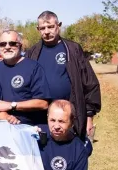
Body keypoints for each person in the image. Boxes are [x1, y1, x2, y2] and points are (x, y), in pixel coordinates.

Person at [25, 11, 101, 140]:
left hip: (69, 116)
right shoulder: (32, 52)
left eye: (50, 27)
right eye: (42, 28)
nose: (47, 31)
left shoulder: (73, 49)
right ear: (38, 29)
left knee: (68, 152)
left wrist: (89, 117)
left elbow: (90, 83)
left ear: (58, 25)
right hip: (40, 116)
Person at [0, 30, 51, 126]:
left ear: (20, 45)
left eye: (12, 43)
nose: (7, 47)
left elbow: (43, 103)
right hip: (3, 127)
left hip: (31, 127)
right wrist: (7, 118)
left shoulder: (33, 67)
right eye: (3, 44)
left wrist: (12, 105)